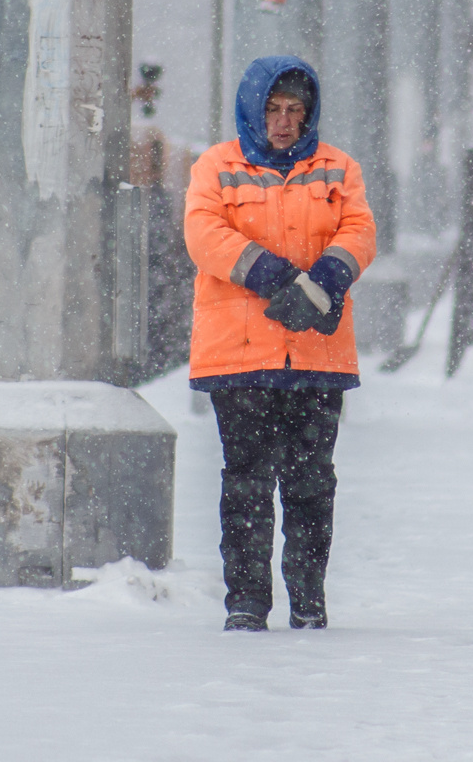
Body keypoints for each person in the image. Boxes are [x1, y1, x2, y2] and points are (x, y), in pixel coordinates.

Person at [183, 56, 376, 633]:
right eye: (272, 109)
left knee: (312, 483)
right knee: (245, 482)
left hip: (317, 356)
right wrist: (274, 275)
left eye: (295, 111)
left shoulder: (339, 168)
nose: (284, 122)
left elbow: (359, 231)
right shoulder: (216, 167)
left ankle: (308, 599)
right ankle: (246, 601)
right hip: (239, 357)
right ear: (252, 108)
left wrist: (325, 282)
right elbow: (204, 234)